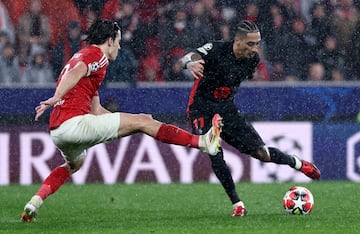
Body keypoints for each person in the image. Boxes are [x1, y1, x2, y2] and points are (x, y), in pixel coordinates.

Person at [20, 19, 223, 222]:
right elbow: (77, 71)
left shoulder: (82, 57)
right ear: (110, 40)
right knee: (144, 121)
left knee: (75, 164)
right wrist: (56, 97)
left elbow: (97, 110)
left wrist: (131, 122)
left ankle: (33, 203)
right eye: (118, 41)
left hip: (58, 132)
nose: (119, 46)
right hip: (75, 124)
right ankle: (202, 142)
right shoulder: (96, 55)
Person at [179, 20, 321, 217]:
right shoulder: (217, 49)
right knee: (213, 149)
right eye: (251, 44)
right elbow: (188, 56)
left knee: (262, 153)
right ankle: (237, 204)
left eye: (257, 44)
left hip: (226, 109)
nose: (255, 49)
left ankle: (297, 163)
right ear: (237, 40)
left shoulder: (252, 60)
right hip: (201, 109)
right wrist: (191, 62)